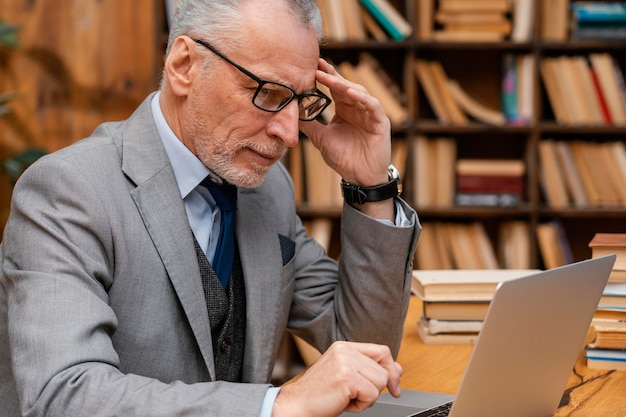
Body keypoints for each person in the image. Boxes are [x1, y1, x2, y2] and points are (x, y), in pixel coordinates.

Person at [0, 0, 420, 416]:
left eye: (302, 100)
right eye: (269, 92)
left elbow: (367, 349)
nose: (290, 134)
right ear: (184, 65)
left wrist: (372, 185)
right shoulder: (67, 190)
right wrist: (277, 404)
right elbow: (63, 396)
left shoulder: (268, 189)